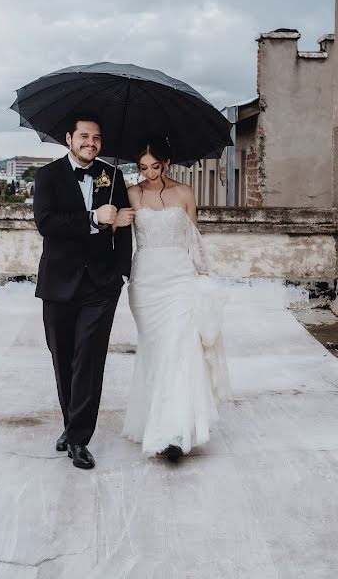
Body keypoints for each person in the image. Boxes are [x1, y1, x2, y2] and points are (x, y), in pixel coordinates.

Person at [117, 135, 230, 461]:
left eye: (154, 166)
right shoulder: (131, 194)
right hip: (147, 283)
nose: (149, 173)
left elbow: (193, 238)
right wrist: (116, 221)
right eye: (142, 168)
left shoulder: (185, 193)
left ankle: (174, 433)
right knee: (156, 353)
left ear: (166, 163)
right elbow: (120, 237)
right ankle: (158, 422)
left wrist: (203, 276)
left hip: (180, 280)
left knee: (179, 350)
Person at [32, 112, 134, 470]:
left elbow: (124, 227)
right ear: (69, 139)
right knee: (63, 359)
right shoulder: (47, 176)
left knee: (89, 360)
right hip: (58, 282)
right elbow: (46, 223)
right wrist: (94, 217)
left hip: (101, 285)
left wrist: (122, 272)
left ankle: (78, 438)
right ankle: (70, 423)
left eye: (97, 138)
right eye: (85, 136)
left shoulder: (114, 175)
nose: (92, 142)